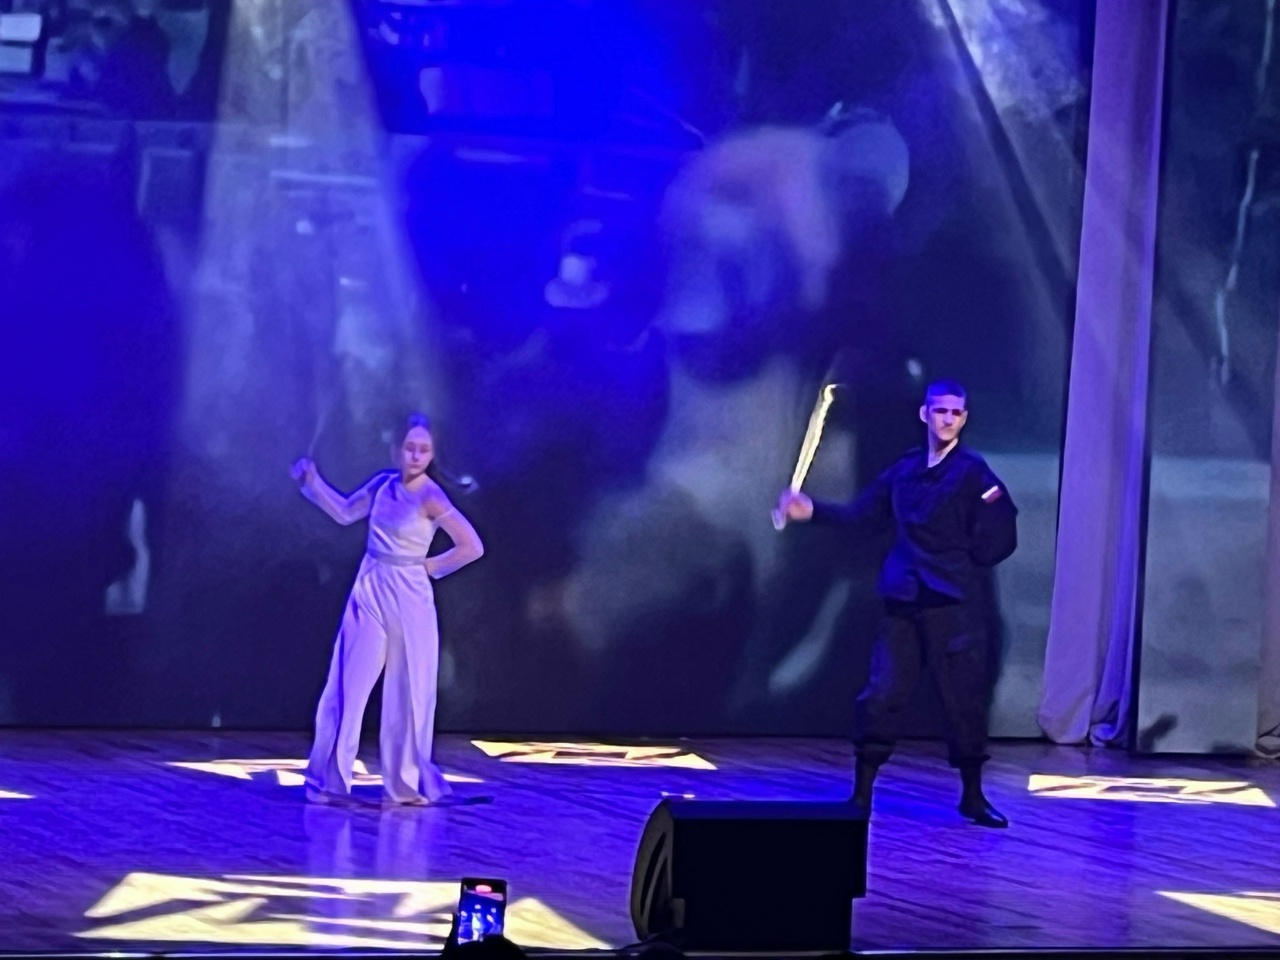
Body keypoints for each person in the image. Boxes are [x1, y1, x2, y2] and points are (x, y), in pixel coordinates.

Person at [775, 380, 1017, 827]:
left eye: (956, 413)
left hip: (952, 606)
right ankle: (861, 794)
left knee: (963, 700)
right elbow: (863, 515)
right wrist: (813, 510)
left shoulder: (972, 472)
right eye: (940, 411)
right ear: (926, 415)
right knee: (881, 694)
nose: (947, 419)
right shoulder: (904, 470)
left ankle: (973, 796)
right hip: (904, 601)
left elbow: (1003, 526)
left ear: (964, 418)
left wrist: (969, 562)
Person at [291, 413, 484, 805]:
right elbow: (345, 512)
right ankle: (328, 780)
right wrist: (313, 483)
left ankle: (405, 786)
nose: (415, 456)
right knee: (348, 682)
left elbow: (472, 546)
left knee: (409, 693)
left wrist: (429, 567)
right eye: (410, 448)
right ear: (397, 449)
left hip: (409, 594)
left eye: (423, 450)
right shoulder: (382, 485)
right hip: (371, 584)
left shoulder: (431, 497)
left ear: (432, 454)